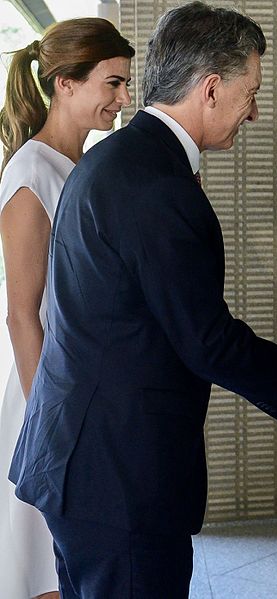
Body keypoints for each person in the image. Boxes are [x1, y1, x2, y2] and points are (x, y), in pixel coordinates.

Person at [8, 4, 277, 598]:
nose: (256, 109)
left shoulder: (113, 160)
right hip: (120, 480)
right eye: (252, 92)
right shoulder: (157, 183)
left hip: (81, 465)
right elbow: (203, 337)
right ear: (212, 89)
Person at [0, 18, 134, 599]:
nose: (124, 99)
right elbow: (21, 314)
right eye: (113, 83)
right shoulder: (31, 171)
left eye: (125, 84)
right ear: (65, 84)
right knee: (47, 578)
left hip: (81, 396)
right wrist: (49, 423)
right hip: (47, 402)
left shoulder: (85, 170)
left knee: (78, 572)